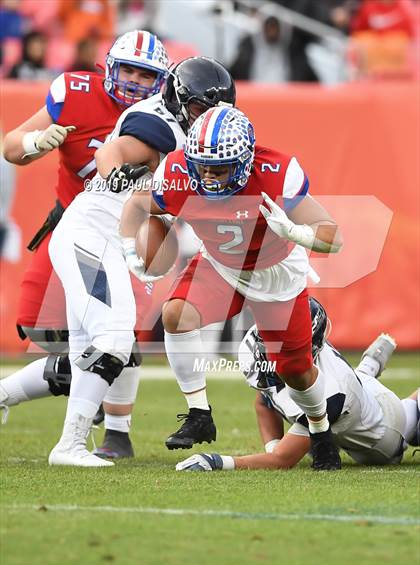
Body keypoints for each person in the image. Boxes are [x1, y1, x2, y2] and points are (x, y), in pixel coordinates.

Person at [120, 106, 344, 470]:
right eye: (201, 166)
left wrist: (296, 232)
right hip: (221, 267)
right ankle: (199, 412)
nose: (207, 176)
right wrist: (132, 250)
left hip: (276, 274)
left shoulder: (276, 172)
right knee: (175, 314)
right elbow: (137, 206)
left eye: (218, 168)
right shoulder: (178, 172)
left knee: (295, 371)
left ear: (243, 162)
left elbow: (334, 238)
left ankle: (320, 430)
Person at [47, 56, 236, 467]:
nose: (207, 118)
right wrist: (115, 172)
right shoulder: (160, 124)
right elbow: (116, 150)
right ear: (180, 98)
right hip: (92, 233)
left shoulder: (193, 131)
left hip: (107, 239)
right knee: (114, 336)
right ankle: (70, 446)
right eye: (202, 108)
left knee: (89, 347)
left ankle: (67, 441)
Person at [1, 30, 168, 459]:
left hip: (128, 231)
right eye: (126, 69)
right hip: (73, 224)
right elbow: (11, 146)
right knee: (40, 325)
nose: (132, 80)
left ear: (162, 82)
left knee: (120, 333)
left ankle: (117, 432)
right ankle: (25, 394)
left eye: (144, 74)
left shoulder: (164, 117)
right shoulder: (75, 92)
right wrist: (37, 142)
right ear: (108, 67)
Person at [176, 298, 418, 471]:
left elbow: (283, 460)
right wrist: (272, 447)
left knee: (411, 416)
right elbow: (264, 401)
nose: (273, 352)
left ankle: (370, 369)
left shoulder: (331, 393)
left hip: (383, 430)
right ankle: (368, 367)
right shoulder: (252, 349)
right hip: (355, 393)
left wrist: (217, 462)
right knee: (349, 394)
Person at [229, 15, 291, 83]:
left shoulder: (291, 51)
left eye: (274, 28)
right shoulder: (248, 51)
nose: (272, 32)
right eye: (269, 28)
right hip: (256, 90)